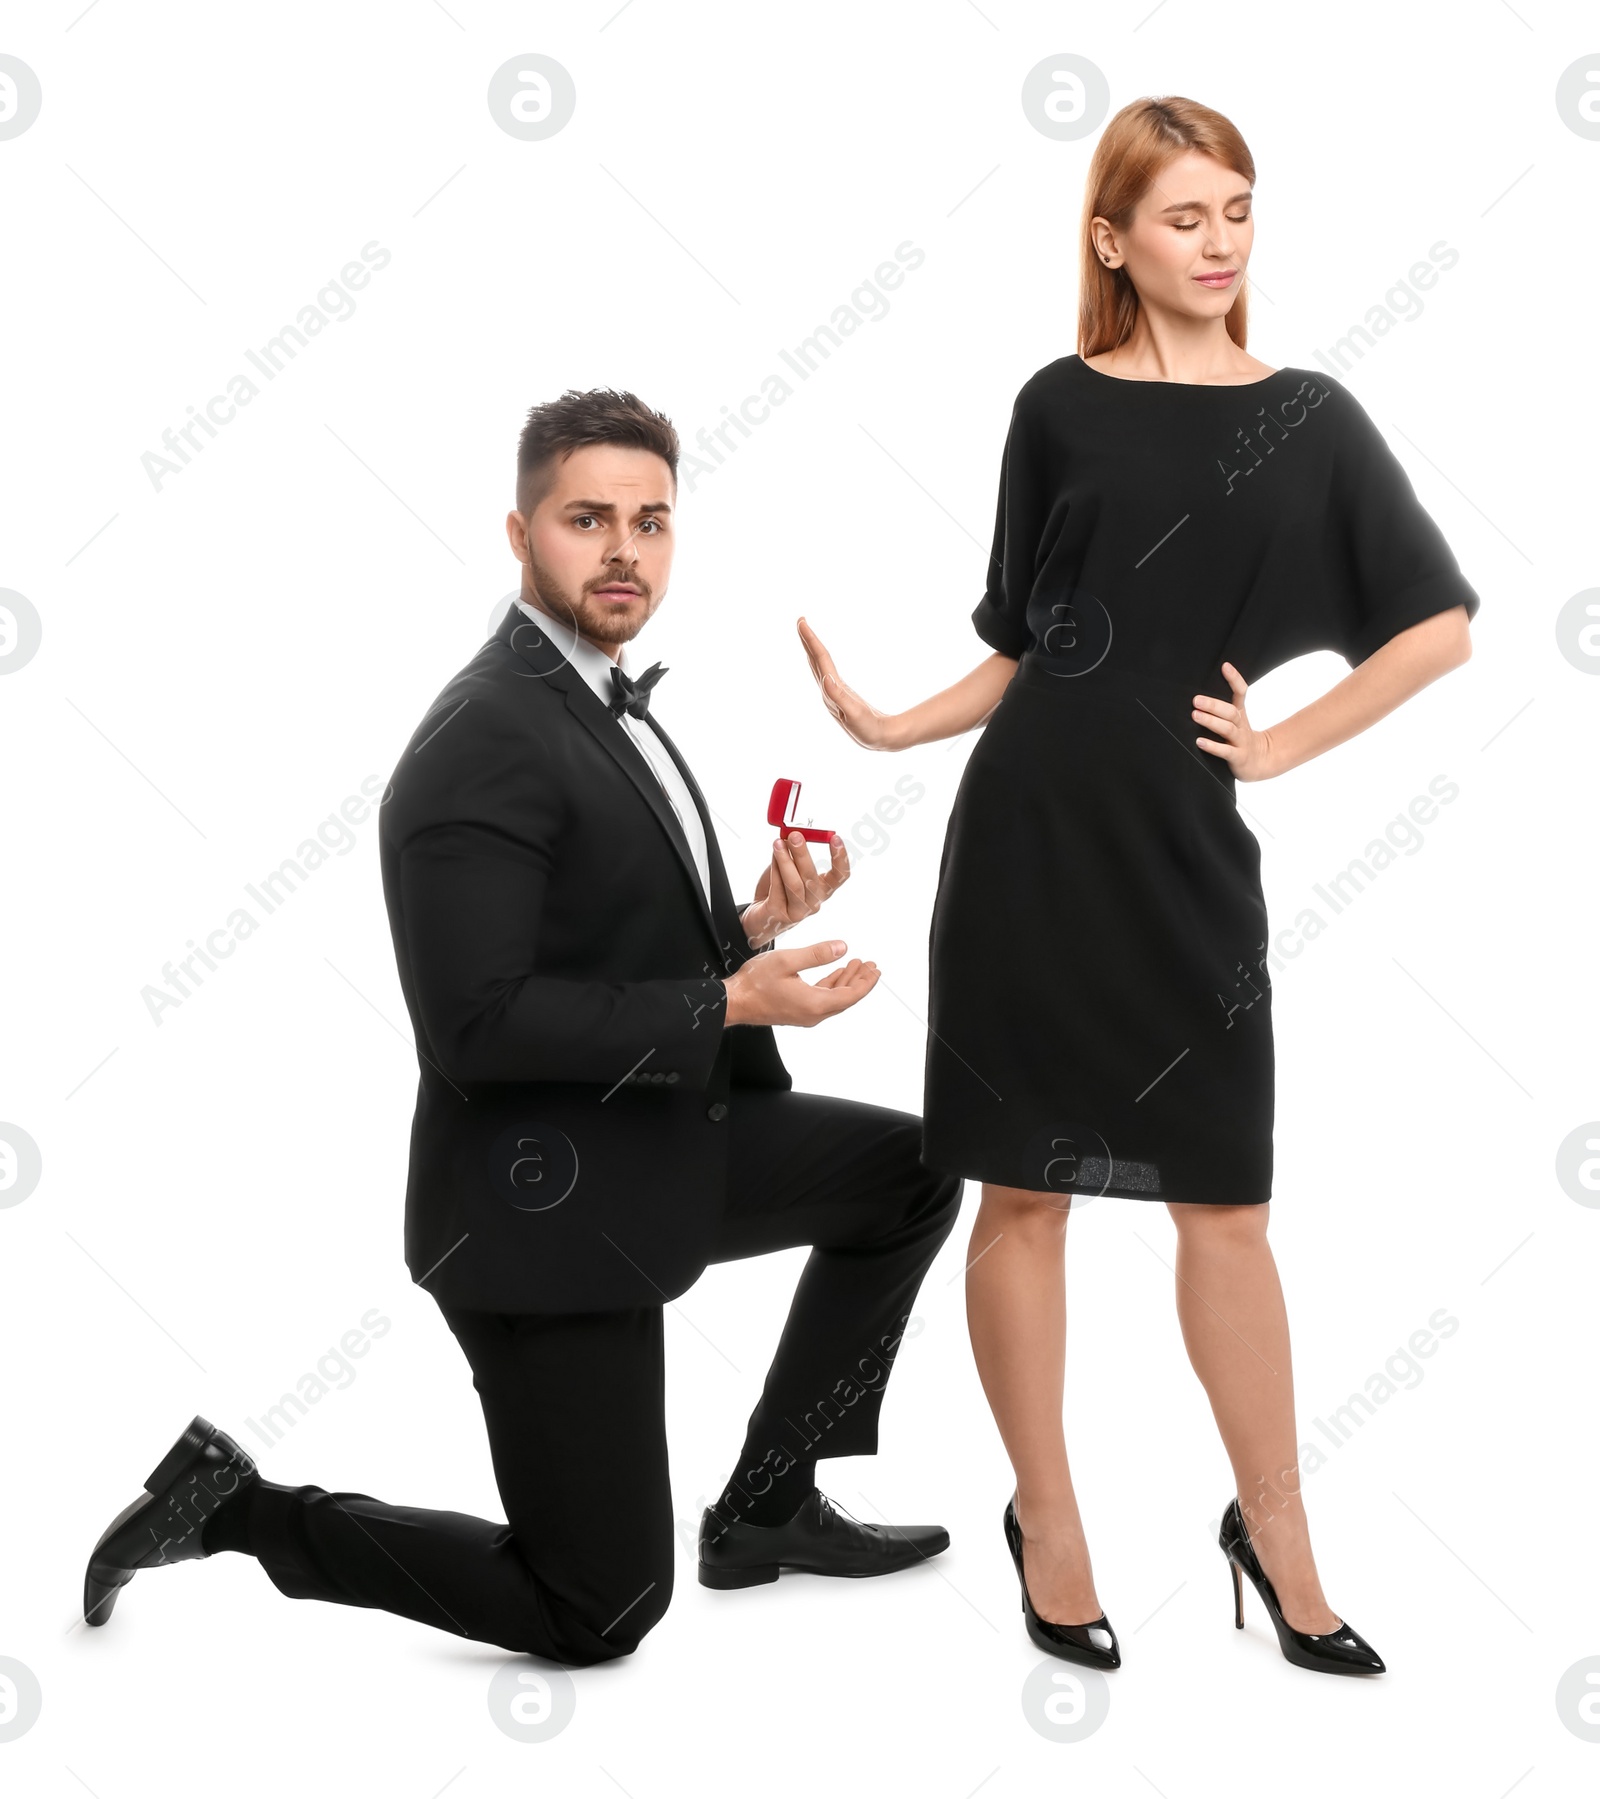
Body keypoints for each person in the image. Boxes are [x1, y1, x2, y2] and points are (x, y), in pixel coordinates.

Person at [84, 387, 962, 1665]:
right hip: (536, 1210)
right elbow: (476, 1025)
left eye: (651, 521)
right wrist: (725, 1002)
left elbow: (598, 936)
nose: (624, 550)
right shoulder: (485, 736)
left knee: (913, 1170)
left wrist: (747, 930)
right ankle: (239, 1510)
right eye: (587, 518)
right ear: (519, 532)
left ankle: (770, 1498)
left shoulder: (602, 693)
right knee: (597, 1608)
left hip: (646, 1142)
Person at [797, 96, 1479, 1676]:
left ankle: (1280, 1531)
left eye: (1239, 211)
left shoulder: (1307, 411)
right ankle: (1054, 1518)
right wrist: (898, 722)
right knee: (1019, 1190)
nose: (1221, 241)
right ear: (1114, 237)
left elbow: (1438, 623)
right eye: (1186, 216)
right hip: (1027, 839)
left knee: (1225, 1201)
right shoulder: (1055, 405)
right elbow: (1031, 638)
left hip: (1180, 850)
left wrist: (1285, 743)